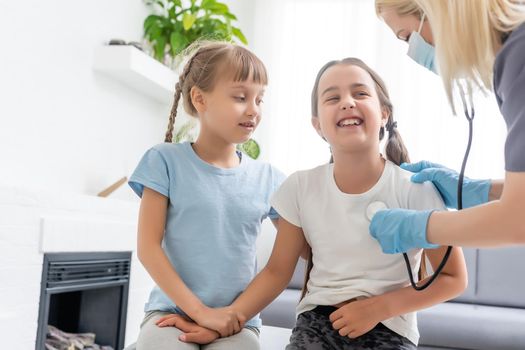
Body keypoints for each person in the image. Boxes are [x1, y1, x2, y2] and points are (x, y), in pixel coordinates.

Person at [159, 57, 468, 349]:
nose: (347, 101)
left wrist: (378, 308)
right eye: (332, 98)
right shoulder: (300, 187)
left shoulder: (416, 188)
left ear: (385, 113)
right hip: (317, 323)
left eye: (360, 93)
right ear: (317, 125)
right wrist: (225, 321)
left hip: (389, 326)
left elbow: (453, 278)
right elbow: (276, 272)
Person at [127, 41, 285, 350]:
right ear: (200, 98)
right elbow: (148, 247)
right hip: (170, 313)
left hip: (238, 322)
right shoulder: (163, 161)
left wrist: (226, 319)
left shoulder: (270, 179)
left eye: (260, 99)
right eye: (241, 97)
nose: (253, 109)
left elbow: (293, 258)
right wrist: (201, 314)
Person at [371, 0, 525, 254]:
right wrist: (479, 191)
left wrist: (419, 227)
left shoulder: (519, 58)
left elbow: (517, 218)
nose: (413, 51)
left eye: (408, 37)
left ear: (437, 10)